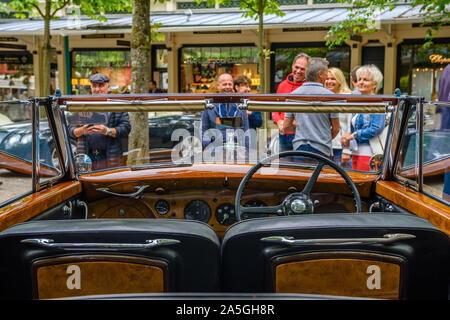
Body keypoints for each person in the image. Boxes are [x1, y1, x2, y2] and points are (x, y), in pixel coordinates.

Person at [69, 73, 131, 170]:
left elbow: (126, 128)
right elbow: (69, 129)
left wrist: (107, 131)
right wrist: (82, 130)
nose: (97, 89)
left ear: (108, 87)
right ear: (91, 87)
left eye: (101, 86)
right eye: (94, 86)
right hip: (86, 156)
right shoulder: (82, 105)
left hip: (110, 157)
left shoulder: (117, 105)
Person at [283, 58, 340, 158]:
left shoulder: (293, 95)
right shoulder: (331, 97)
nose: (327, 76)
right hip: (322, 149)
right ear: (320, 74)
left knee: (302, 174)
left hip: (299, 148)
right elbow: (336, 128)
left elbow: (286, 126)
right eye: (326, 73)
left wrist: (304, 131)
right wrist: (321, 136)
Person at [341, 64, 386, 171]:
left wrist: (354, 135)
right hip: (356, 152)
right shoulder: (358, 102)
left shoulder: (377, 103)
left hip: (369, 154)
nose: (360, 82)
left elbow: (376, 128)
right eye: (359, 79)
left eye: (365, 80)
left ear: (375, 84)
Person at [201, 73, 249, 148]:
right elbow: (203, 130)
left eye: (230, 84)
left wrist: (245, 150)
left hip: (237, 150)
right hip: (215, 151)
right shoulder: (209, 105)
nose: (227, 87)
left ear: (233, 85)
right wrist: (210, 148)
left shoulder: (240, 105)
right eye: (224, 84)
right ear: (218, 86)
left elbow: (246, 131)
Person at [273, 53, 310, 151]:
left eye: (302, 69)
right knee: (284, 164)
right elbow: (275, 109)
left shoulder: (309, 87)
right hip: (283, 135)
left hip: (301, 136)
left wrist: (294, 123)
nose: (298, 71)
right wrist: (279, 121)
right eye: (296, 67)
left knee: (301, 165)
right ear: (292, 66)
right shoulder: (282, 85)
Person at [325, 67, 353, 167]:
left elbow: (350, 124)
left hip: (340, 148)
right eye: (327, 79)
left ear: (340, 80)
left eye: (333, 79)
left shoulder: (347, 97)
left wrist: (347, 150)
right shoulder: (323, 96)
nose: (329, 81)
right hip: (325, 147)